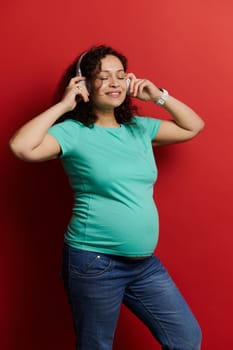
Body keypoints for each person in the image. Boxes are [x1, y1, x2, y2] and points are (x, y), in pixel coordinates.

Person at [9, 45, 204, 350]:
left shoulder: (139, 128)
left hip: (143, 265)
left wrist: (158, 97)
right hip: (95, 262)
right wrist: (63, 105)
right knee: (96, 345)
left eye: (120, 76)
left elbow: (194, 126)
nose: (114, 83)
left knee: (186, 337)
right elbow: (21, 148)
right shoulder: (72, 132)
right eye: (103, 77)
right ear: (84, 84)